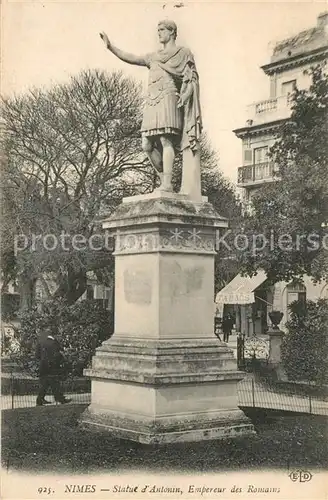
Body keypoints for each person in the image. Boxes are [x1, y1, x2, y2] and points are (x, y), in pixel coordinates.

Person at [99, 19, 202, 198]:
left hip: (169, 97)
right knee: (146, 144)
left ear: (172, 32)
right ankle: (164, 180)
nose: (159, 33)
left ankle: (167, 184)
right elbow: (132, 58)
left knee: (165, 140)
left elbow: (191, 78)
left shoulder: (183, 53)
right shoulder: (153, 57)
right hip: (152, 100)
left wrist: (185, 96)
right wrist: (111, 47)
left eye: (162, 30)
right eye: (158, 30)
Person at [35, 329, 72, 406]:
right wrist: (61, 362)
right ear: (54, 335)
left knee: (44, 383)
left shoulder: (40, 342)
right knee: (55, 382)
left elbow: (37, 355)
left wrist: (43, 361)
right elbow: (57, 355)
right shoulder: (54, 342)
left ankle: (40, 400)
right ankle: (60, 399)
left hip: (43, 366)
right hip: (53, 366)